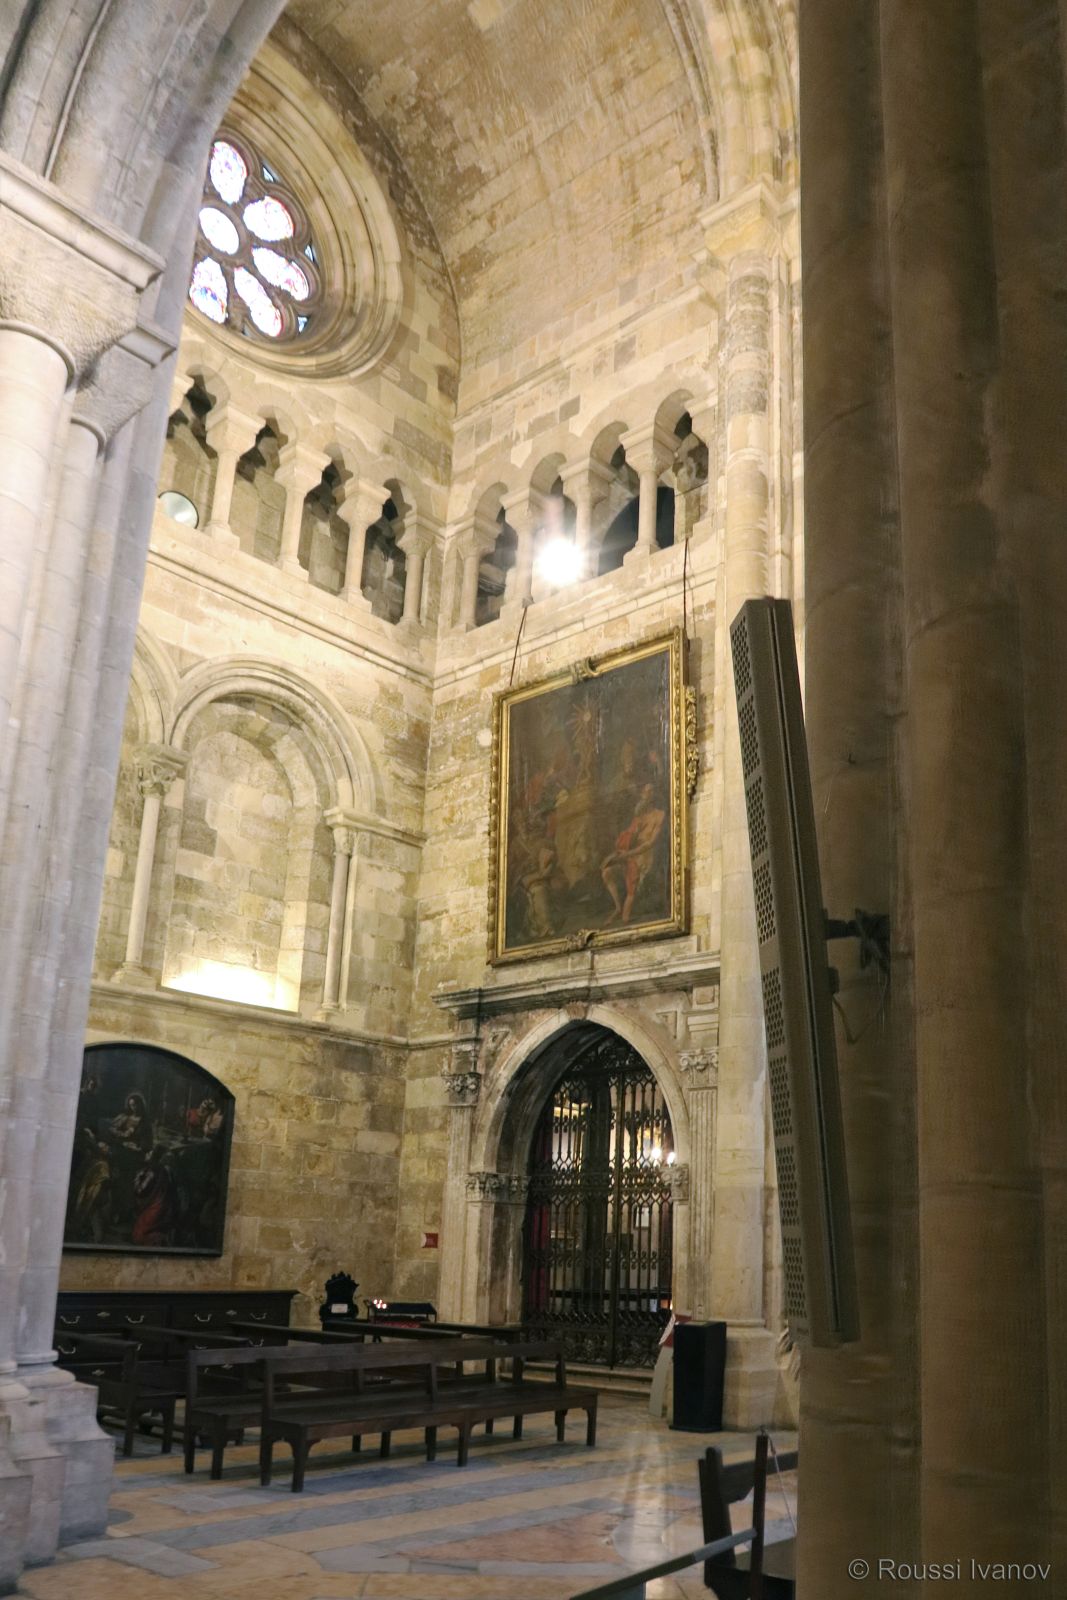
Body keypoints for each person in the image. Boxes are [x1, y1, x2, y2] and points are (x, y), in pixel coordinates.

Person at [600, 783, 667, 925]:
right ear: (642, 795)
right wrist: (619, 852)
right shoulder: (638, 818)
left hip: (645, 856)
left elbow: (649, 844)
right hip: (631, 855)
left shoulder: (660, 815)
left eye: (651, 791)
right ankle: (618, 908)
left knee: (632, 875)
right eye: (646, 792)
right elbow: (628, 838)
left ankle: (625, 914)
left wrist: (627, 853)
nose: (648, 795)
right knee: (607, 872)